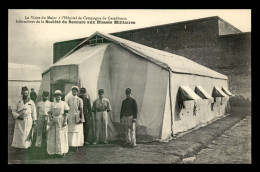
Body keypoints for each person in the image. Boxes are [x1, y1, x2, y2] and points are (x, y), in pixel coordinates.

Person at [11, 86, 37, 153]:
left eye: (26, 93)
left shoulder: (31, 102)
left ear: (28, 93)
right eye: (24, 93)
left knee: (27, 134)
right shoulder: (18, 101)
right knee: (19, 135)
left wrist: (34, 121)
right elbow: (13, 111)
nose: (25, 94)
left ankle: (26, 147)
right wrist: (18, 116)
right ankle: (18, 148)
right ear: (21, 93)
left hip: (28, 120)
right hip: (19, 121)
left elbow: (34, 112)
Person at [46, 90, 69, 157]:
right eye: (56, 97)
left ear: (61, 97)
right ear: (54, 97)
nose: (58, 98)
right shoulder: (52, 104)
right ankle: (53, 151)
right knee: (52, 135)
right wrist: (50, 119)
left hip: (61, 120)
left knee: (61, 135)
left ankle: (62, 151)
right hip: (53, 120)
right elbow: (49, 112)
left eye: (59, 97)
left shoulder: (64, 103)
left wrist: (65, 121)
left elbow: (66, 113)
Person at [66, 86, 84, 152]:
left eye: (75, 91)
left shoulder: (79, 100)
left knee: (77, 131)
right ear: (71, 91)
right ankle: (70, 145)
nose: (74, 92)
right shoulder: (69, 99)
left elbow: (81, 109)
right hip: (70, 117)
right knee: (70, 131)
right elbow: (67, 109)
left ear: (77, 92)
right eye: (73, 91)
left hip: (77, 117)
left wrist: (81, 117)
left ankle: (76, 146)